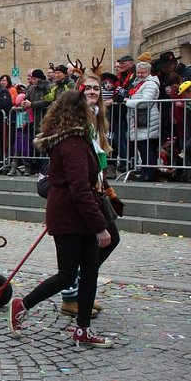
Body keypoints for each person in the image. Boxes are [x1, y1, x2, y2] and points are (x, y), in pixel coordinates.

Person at [7, 91, 113, 347]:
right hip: (70, 216)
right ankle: (23, 305)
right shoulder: (72, 142)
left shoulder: (74, 139)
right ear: (79, 112)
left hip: (76, 215)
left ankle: (83, 329)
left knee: (90, 273)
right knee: (67, 274)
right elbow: (79, 189)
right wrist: (100, 227)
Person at [60, 75, 121, 317]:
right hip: (80, 191)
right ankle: (72, 296)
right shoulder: (76, 120)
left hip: (95, 188)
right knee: (85, 246)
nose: (93, 92)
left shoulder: (96, 118)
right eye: (88, 88)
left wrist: (105, 186)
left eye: (96, 88)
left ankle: (82, 292)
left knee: (105, 241)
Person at [125, 61, 161, 181]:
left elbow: (145, 102)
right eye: (138, 72)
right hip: (140, 118)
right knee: (143, 146)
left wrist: (128, 102)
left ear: (148, 72)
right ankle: (146, 171)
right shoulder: (139, 83)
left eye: (143, 72)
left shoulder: (150, 84)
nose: (140, 75)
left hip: (147, 119)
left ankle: (149, 173)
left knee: (146, 147)